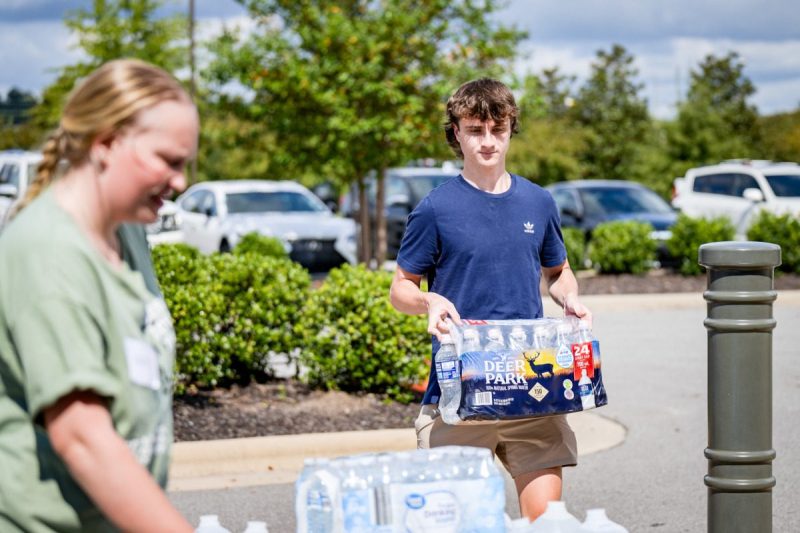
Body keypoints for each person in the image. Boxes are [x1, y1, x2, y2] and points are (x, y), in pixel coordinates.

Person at [0, 59, 197, 532]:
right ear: (107, 143)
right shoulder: (48, 253)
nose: (181, 182)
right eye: (169, 161)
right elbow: (83, 439)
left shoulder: (126, 233)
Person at [389, 77, 592, 520]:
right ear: (456, 133)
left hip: (533, 389)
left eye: (497, 129)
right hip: (460, 393)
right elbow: (400, 288)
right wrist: (429, 301)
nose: (487, 141)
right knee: (460, 525)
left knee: (546, 524)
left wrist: (570, 298)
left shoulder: (538, 202)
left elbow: (558, 272)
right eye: (475, 130)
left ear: (510, 129)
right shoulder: (435, 209)